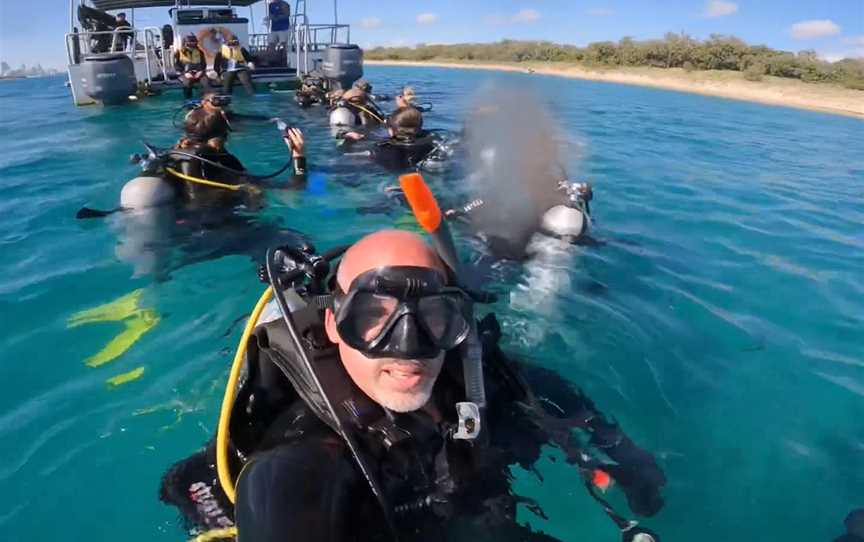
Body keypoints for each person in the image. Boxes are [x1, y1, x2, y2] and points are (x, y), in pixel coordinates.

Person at [160, 228, 666, 542]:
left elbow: (547, 387)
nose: (409, 344)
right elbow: (286, 498)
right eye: (374, 317)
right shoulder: (304, 458)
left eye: (433, 317)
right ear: (335, 325)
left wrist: (621, 452)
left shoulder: (459, 367)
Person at [174, 34, 211, 99]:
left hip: (199, 72)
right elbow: (177, 66)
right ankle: (188, 100)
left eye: (194, 42)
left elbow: (203, 64)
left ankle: (206, 99)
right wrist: (184, 73)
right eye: (190, 42)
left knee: (206, 82)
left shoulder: (200, 52)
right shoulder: (178, 52)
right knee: (187, 84)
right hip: (185, 73)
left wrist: (200, 72)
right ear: (185, 43)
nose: (192, 44)